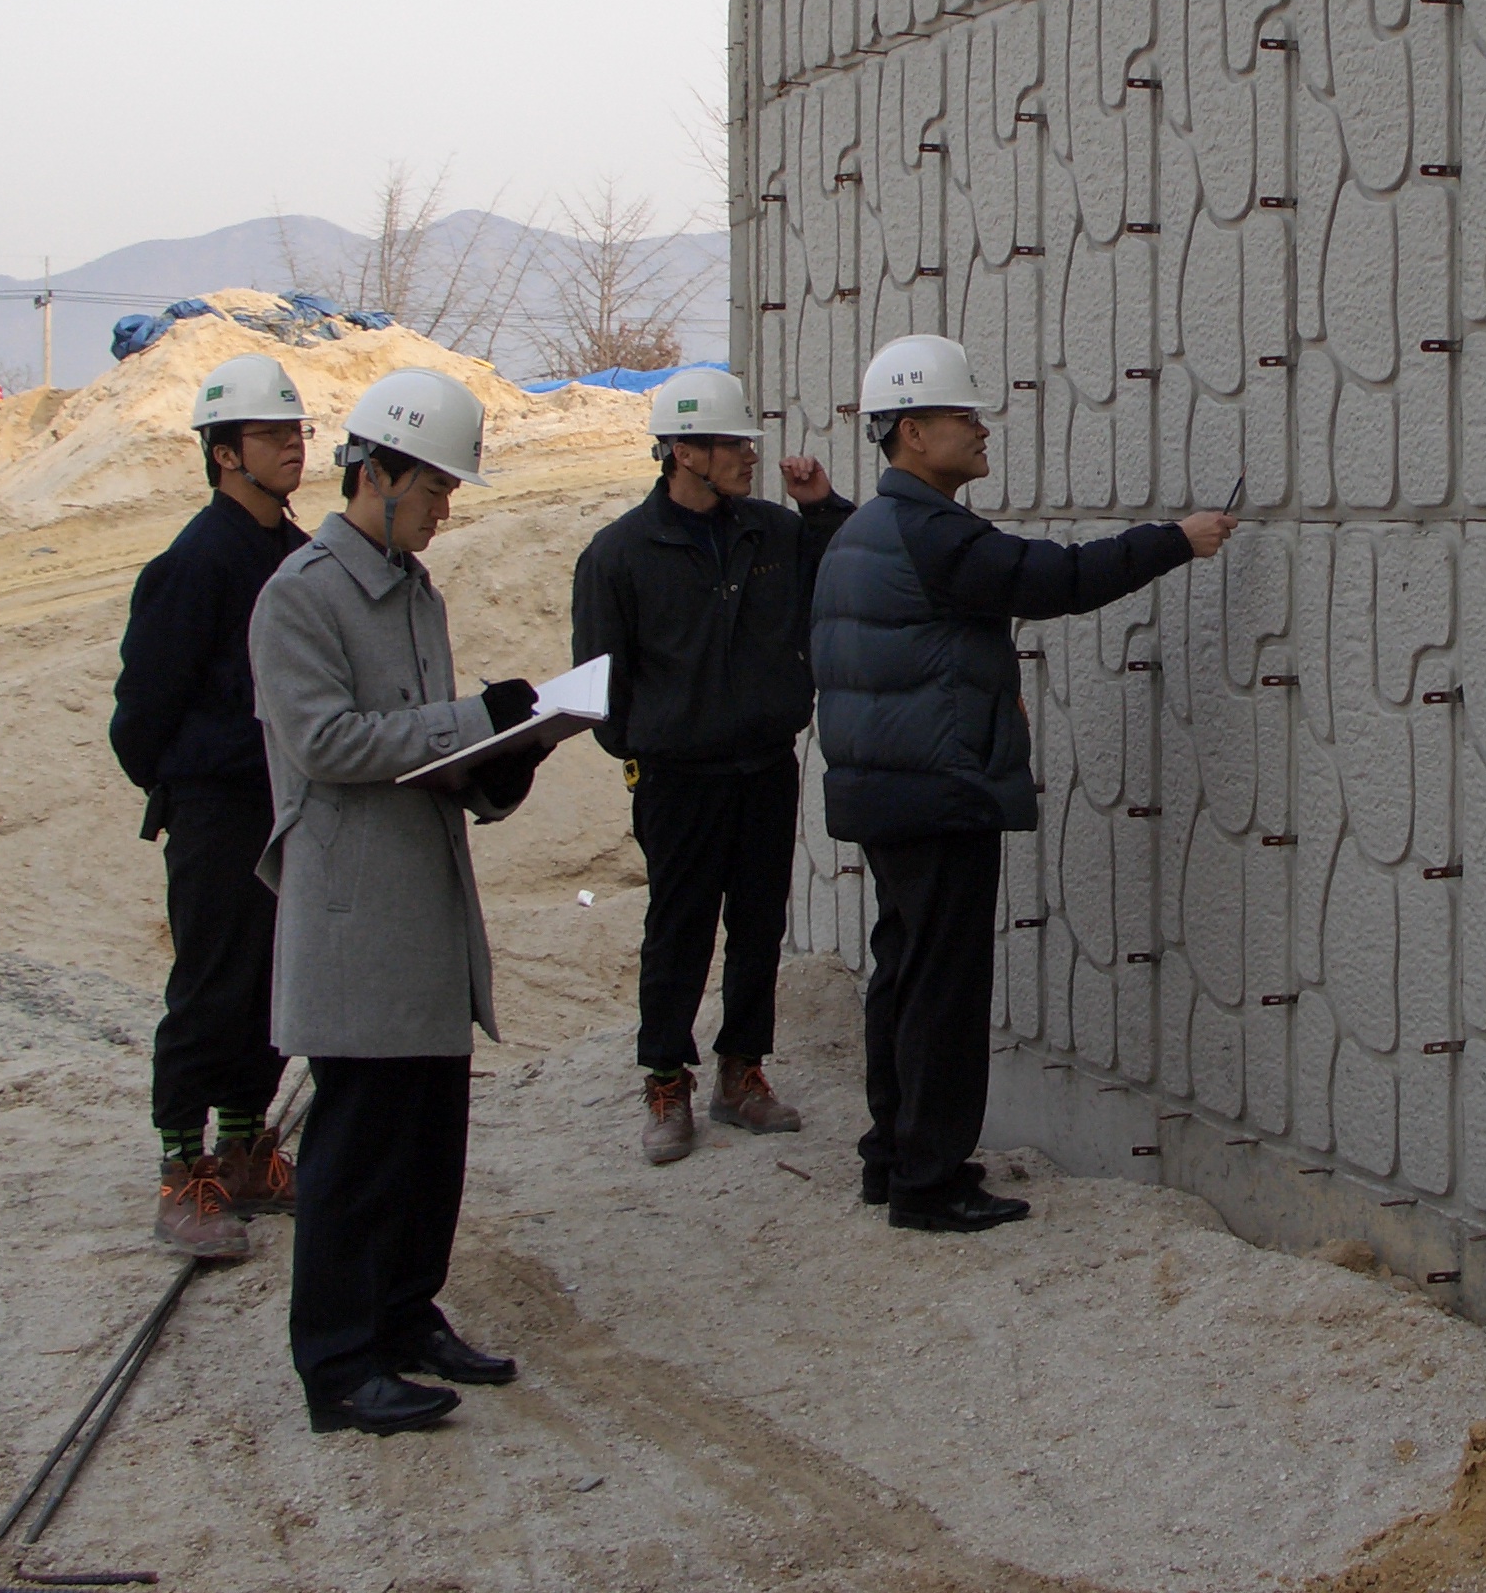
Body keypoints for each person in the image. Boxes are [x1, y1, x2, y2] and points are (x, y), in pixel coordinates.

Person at [812, 335, 1234, 1234]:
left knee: (905, 974)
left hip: (890, 793)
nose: (982, 428)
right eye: (965, 416)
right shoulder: (930, 533)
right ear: (914, 432)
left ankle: (893, 1159)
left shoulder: (864, 529)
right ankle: (930, 1181)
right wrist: (1174, 541)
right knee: (942, 991)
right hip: (935, 793)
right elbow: (1056, 580)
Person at [251, 367, 553, 1435]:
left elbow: (422, 737)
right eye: (431, 491)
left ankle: (403, 1311)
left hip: (420, 898)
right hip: (354, 911)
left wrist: (500, 757)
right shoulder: (301, 595)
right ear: (374, 476)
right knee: (360, 1148)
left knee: (429, 1136)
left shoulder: (413, 590)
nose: (443, 511)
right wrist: (469, 724)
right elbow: (326, 742)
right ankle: (339, 1361)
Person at [572, 371, 851, 1163]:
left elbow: (848, 558)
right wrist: (651, 742)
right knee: (679, 928)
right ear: (682, 452)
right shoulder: (619, 554)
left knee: (760, 922)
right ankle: (666, 1077)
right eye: (733, 444)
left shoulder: (774, 532)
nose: (749, 456)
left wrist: (821, 506)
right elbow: (599, 682)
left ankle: (742, 1072)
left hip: (764, 765)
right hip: (676, 778)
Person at [108, 352, 312, 1261]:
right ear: (224, 452)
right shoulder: (194, 564)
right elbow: (142, 715)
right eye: (273, 434)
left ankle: (241, 1145)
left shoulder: (293, 552)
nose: (293, 448)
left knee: (273, 982)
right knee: (210, 985)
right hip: (218, 810)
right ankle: (180, 1170)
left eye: (298, 431)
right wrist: (199, 781)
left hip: (283, 804)